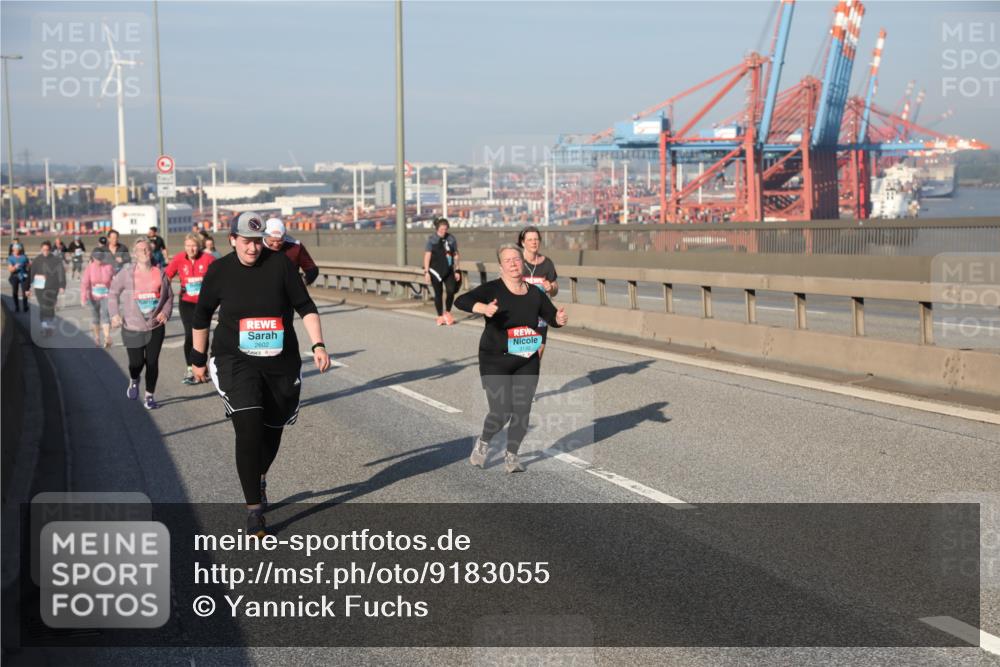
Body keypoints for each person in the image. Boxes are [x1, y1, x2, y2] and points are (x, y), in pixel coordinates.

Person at [190, 211, 331, 537]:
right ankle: (254, 511)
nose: (253, 248)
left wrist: (319, 344)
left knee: (272, 430)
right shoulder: (219, 270)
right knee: (249, 426)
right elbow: (202, 314)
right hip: (235, 360)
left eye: (257, 241)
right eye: (246, 241)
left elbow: (305, 306)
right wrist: (197, 357)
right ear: (232, 240)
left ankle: (260, 475)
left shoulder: (280, 265)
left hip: (280, 363)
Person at [454, 243, 568, 473]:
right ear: (501, 267)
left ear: (522, 263)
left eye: (516, 259)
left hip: (526, 358)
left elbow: (550, 316)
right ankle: (484, 442)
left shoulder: (534, 292)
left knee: (522, 411)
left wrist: (559, 319)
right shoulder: (492, 289)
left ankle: (512, 455)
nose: (514, 264)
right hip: (495, 359)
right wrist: (483, 308)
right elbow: (461, 301)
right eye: (508, 261)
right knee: (501, 412)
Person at [108, 239, 173, 410]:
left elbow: (169, 296)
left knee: (152, 362)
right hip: (132, 327)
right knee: (136, 363)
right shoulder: (126, 274)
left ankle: (149, 396)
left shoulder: (160, 273)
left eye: (147, 249)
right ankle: (134, 379)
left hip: (155, 326)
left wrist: (165, 312)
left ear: (151, 252)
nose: (144, 252)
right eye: (140, 250)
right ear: (134, 254)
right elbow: (113, 293)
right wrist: (114, 314)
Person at [165, 233, 216, 384]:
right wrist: (161, 293)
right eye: (188, 245)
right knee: (190, 334)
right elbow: (167, 276)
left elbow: (219, 277)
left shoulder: (208, 259)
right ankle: (190, 368)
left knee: (203, 336)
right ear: (184, 246)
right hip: (186, 302)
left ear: (199, 246)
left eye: (193, 245)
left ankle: (201, 366)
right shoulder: (179, 259)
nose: (191, 249)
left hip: (204, 303)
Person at [517, 226, 559, 360]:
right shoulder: (516, 263)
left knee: (536, 357)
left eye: (536, 239)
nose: (534, 242)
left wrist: (551, 287)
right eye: (530, 240)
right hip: (519, 316)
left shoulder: (547, 263)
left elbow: (555, 290)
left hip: (540, 317)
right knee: (521, 358)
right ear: (523, 242)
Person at [423, 218, 460, 326]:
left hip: (448, 270)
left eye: (445, 229)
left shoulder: (451, 239)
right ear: (437, 229)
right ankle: (440, 316)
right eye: (441, 229)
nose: (444, 231)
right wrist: (426, 272)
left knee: (451, 290)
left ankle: (447, 312)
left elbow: (456, 254)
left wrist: (457, 269)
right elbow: (427, 256)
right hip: (435, 271)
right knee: (438, 294)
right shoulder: (432, 240)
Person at [26, 241, 66, 337]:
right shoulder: (37, 260)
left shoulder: (56, 260)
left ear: (50, 250)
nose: (45, 251)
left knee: (50, 307)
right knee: (43, 306)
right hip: (40, 287)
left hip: (53, 287)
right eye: (43, 250)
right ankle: (45, 327)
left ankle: (49, 325)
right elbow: (31, 274)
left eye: (47, 250)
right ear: (41, 249)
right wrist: (27, 288)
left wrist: (62, 286)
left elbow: (61, 273)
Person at [263, 218, 319, 286]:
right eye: (272, 241)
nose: (276, 244)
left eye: (280, 241)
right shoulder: (256, 245)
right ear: (264, 236)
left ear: (284, 235)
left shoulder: (295, 247)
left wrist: (302, 282)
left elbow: (312, 269)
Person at [80, 249, 115, 348]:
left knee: (106, 315)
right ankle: (97, 337)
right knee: (95, 317)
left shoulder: (108, 267)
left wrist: (115, 294)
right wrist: (83, 298)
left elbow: (114, 280)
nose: (99, 260)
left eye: (101, 258)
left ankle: (107, 337)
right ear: (93, 258)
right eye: (97, 259)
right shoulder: (89, 268)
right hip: (93, 296)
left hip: (106, 295)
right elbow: (84, 284)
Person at [7, 242, 30, 312]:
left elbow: (28, 266)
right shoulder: (10, 258)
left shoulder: (24, 257)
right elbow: (10, 269)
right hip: (15, 276)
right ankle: (17, 306)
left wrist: (29, 266)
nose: (16, 250)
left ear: (19, 249)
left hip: (23, 275)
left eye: (17, 249)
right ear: (13, 249)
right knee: (15, 291)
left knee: (25, 291)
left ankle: (25, 306)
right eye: (15, 249)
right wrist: (15, 267)